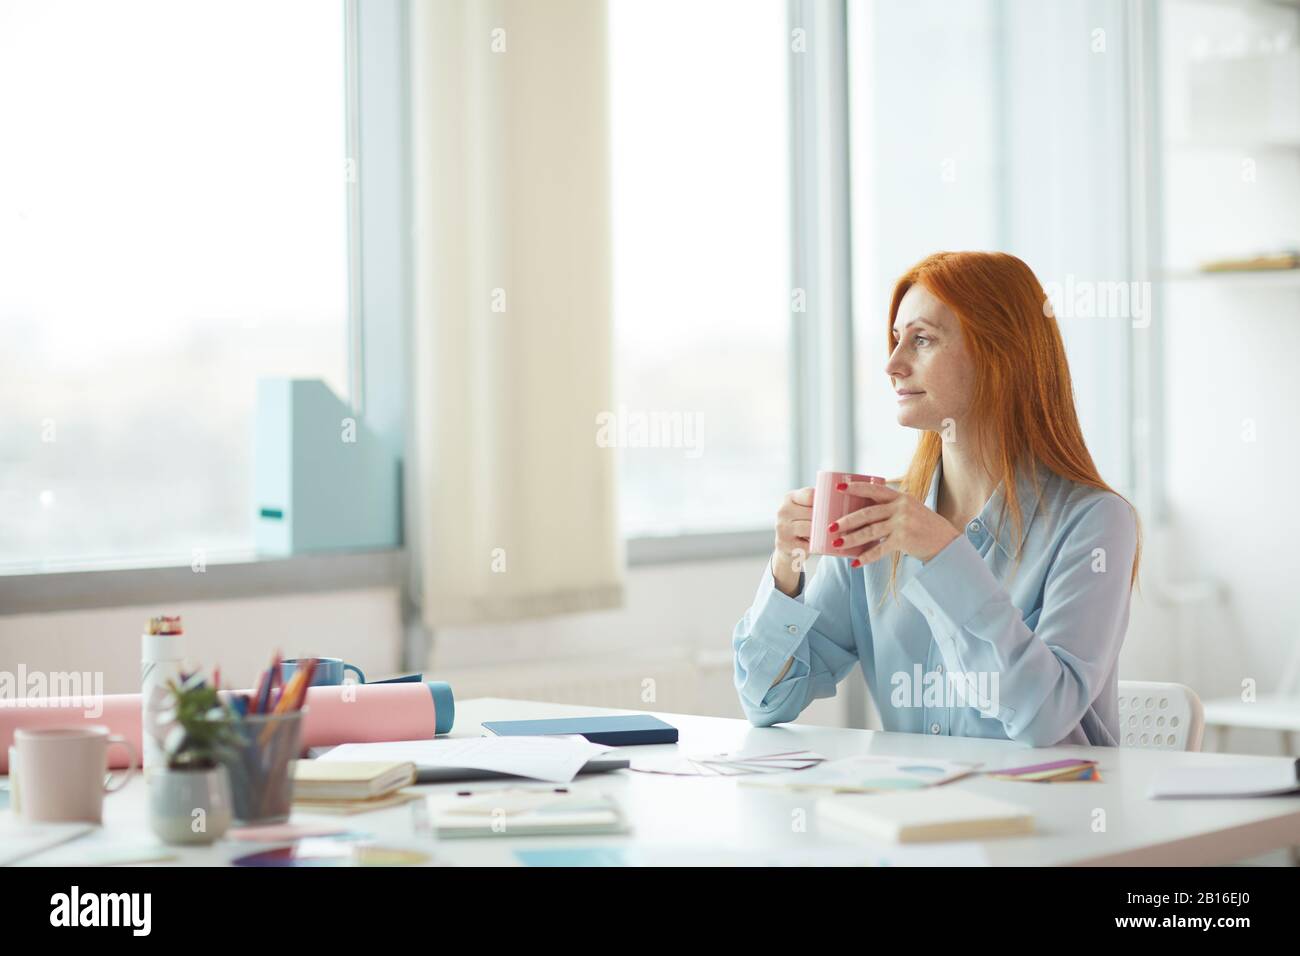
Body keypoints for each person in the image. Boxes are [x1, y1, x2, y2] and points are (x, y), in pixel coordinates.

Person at [732, 251, 1141, 746]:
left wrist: (946, 557)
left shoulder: (1095, 523)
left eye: (921, 339)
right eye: (895, 339)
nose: (892, 364)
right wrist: (785, 567)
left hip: (1050, 816)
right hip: (916, 815)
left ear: (1000, 354)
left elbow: (1044, 717)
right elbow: (765, 700)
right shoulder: (877, 519)